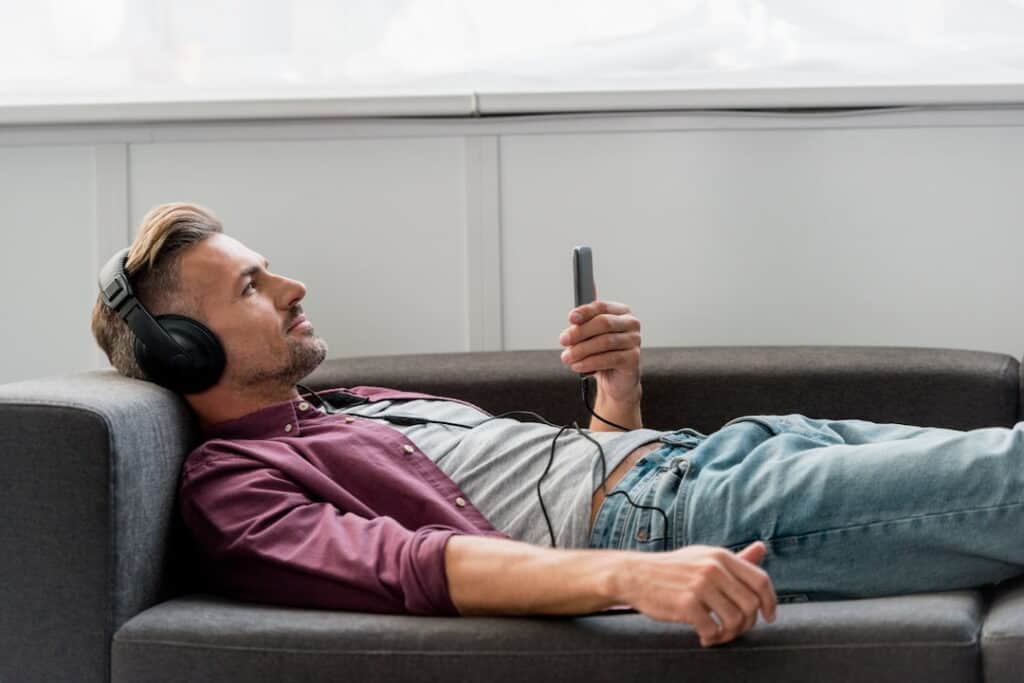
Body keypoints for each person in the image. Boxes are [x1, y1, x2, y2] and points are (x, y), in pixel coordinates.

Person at [91, 203, 1024, 650]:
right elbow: (419, 567)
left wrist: (616, 391)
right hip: (684, 510)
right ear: (183, 351)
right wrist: (633, 573)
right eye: (253, 286)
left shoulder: (349, 406)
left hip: (722, 452)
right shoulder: (233, 488)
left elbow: (545, 485)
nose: (292, 288)